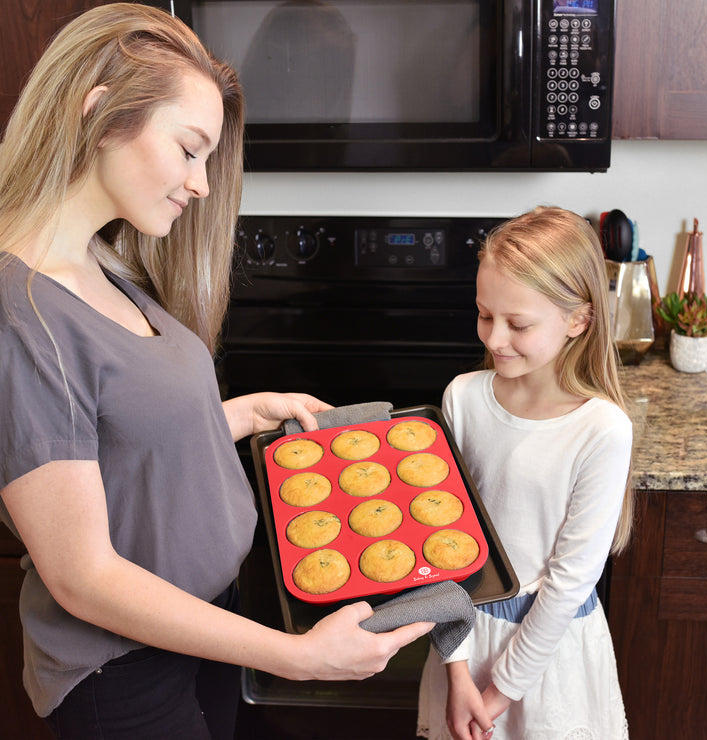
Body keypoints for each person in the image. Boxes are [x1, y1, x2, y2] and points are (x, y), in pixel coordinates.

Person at [0, 5, 432, 738]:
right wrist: (295, 656)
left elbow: (118, 447)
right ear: (103, 114)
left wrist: (242, 412)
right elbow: (83, 575)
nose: (202, 185)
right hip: (124, 669)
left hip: (203, 628)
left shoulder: (103, 266)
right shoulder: (19, 312)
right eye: (190, 149)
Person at [417, 206, 633, 740]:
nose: (494, 339)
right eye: (484, 315)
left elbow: (567, 585)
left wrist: (496, 695)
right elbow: (441, 540)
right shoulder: (463, 398)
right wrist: (458, 668)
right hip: (462, 636)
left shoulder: (602, 429)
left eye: (519, 324)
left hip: (547, 653)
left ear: (578, 320)